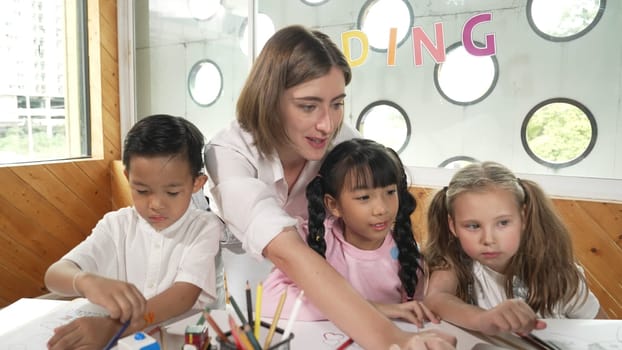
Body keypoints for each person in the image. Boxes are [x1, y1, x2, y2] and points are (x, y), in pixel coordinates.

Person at [205, 24, 456, 349]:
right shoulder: (226, 153)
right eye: (308, 106)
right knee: (258, 334)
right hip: (250, 257)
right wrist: (397, 341)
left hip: (319, 264)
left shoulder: (342, 139)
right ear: (269, 101)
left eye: (337, 104)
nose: (327, 125)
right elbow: (289, 254)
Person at [44, 114, 224, 349]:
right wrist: (85, 281)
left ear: (197, 184)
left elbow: (182, 297)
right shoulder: (116, 225)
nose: (156, 204)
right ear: (128, 178)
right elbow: (54, 275)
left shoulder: (204, 227)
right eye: (142, 190)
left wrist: (114, 328)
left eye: (172, 192)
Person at [260, 138, 439, 328]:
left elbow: (412, 319)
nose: (381, 209)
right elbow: (269, 301)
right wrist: (372, 309)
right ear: (334, 205)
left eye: (390, 192)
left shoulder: (406, 251)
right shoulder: (312, 240)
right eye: (364, 197)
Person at [423, 161, 608, 336]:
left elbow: (603, 331)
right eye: (473, 226)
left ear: (524, 217)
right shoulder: (453, 261)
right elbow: (436, 298)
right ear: (453, 226)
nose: (488, 239)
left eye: (503, 223)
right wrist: (482, 318)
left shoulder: (560, 274)